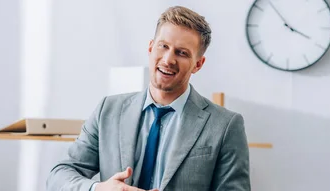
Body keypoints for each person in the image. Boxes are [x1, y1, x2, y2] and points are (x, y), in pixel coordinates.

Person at [46, 5, 251, 191]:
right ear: (151, 47)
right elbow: (60, 175)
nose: (168, 59)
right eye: (163, 46)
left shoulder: (225, 126)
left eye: (182, 53)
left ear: (198, 64)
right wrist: (99, 188)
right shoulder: (107, 110)